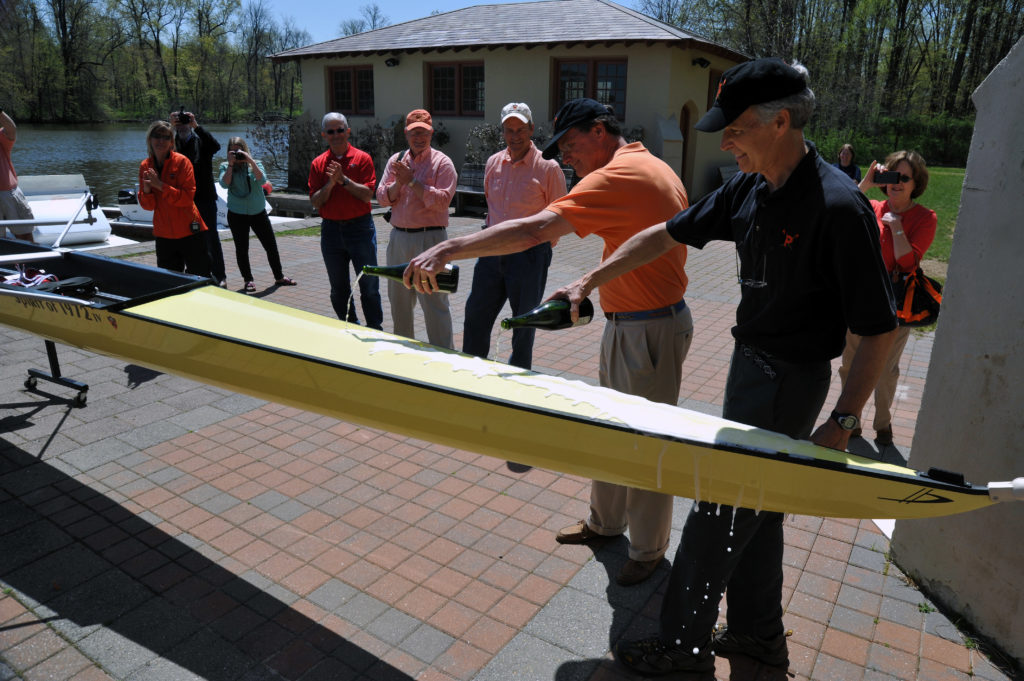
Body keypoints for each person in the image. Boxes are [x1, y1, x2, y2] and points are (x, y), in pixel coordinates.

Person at [545, 60, 897, 675]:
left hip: (790, 381)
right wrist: (588, 279)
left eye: (734, 129)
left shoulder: (839, 207)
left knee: (720, 513)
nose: (724, 142)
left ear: (781, 121)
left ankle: (683, 646)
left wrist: (845, 417)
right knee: (758, 512)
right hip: (748, 369)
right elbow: (665, 233)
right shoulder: (749, 187)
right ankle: (761, 636)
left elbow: (878, 328)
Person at [406, 98, 693, 587]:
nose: (568, 157)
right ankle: (606, 524)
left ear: (600, 131)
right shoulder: (649, 163)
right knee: (612, 429)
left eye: (574, 144)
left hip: (648, 329)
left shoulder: (618, 175)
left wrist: (451, 246)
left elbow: (537, 229)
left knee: (645, 443)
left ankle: (647, 550)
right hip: (631, 322)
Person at [839, 150, 936, 446]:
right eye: (892, 176)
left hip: (896, 304)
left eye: (904, 178)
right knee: (849, 363)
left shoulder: (924, 218)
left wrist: (896, 227)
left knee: (885, 371)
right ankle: (848, 418)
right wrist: (865, 183)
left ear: (915, 183)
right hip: (861, 298)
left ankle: (883, 423)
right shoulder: (871, 206)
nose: (897, 183)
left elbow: (909, 263)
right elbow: (839, 210)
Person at [462, 102, 568, 369]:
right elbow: (491, 206)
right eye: (509, 130)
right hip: (491, 252)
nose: (515, 135)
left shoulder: (548, 168)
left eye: (521, 129)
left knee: (523, 325)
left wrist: (538, 248)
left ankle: (518, 382)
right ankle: (471, 376)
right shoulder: (493, 163)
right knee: (475, 316)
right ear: (502, 132)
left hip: (529, 257)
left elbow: (561, 218)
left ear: (531, 129)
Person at [376, 109, 457, 348]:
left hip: (430, 240)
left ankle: (444, 356)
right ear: (406, 134)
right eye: (414, 133)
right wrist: (399, 184)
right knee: (399, 302)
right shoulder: (396, 161)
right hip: (399, 239)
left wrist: (412, 181)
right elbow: (382, 197)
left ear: (431, 133)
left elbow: (443, 201)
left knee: (435, 303)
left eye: (423, 133)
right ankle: (404, 352)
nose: (418, 138)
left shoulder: (442, 163)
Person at [309, 112, 381, 328]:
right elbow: (315, 202)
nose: (336, 135)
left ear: (348, 131)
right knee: (338, 287)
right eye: (331, 131)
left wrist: (343, 180)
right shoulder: (318, 164)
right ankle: (350, 327)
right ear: (324, 135)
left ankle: (375, 330)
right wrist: (330, 184)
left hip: (360, 229)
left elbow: (368, 195)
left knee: (369, 285)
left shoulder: (362, 159)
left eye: (340, 130)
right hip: (331, 232)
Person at [218, 137, 296, 292]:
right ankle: (248, 280)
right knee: (242, 249)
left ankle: (279, 276)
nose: (236, 154)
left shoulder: (255, 163)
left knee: (270, 246)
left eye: (239, 150)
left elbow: (262, 180)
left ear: (245, 150)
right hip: (237, 213)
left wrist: (250, 161)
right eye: (233, 151)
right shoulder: (225, 166)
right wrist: (231, 164)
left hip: (257, 212)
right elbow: (224, 184)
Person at [138, 120, 211, 277]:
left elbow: (186, 198)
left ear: (172, 141)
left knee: (199, 278)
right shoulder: (145, 165)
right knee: (170, 282)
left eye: (166, 137)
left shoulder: (182, 162)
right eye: (156, 136)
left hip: (189, 231)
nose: (161, 141)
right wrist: (146, 190)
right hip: (164, 235)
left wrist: (160, 185)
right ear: (149, 139)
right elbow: (148, 206)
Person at [172, 109, 226, 286]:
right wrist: (171, 127)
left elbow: (216, 146)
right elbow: (159, 152)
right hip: (182, 199)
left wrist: (196, 125)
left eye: (185, 121)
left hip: (205, 198)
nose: (182, 125)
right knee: (186, 237)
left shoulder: (201, 141)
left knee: (210, 237)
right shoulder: (172, 144)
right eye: (179, 122)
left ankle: (219, 275)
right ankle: (193, 273)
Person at [0, 108, 35, 242]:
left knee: (25, 236)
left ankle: (32, 262)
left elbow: (11, 129)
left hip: (9, 194)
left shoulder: (1, 138)